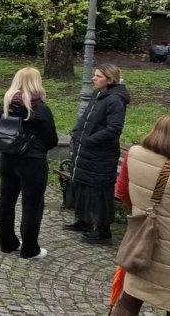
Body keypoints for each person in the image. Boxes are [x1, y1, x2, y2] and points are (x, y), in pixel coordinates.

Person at [64, 63, 131, 244]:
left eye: (98, 76)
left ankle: (102, 231)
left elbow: (114, 129)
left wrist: (90, 140)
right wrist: (77, 132)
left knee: (98, 192)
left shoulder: (115, 100)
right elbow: (86, 119)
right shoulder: (99, 94)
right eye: (94, 75)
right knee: (83, 186)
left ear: (110, 79)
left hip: (101, 155)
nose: (93, 78)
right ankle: (84, 220)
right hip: (85, 152)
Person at [0, 67, 59, 260]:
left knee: (6, 201)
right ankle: (30, 249)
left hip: (7, 158)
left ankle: (7, 243)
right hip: (32, 162)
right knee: (32, 205)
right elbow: (52, 140)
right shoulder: (40, 109)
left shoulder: (7, 105)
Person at [112, 114, 170, 315]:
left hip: (142, 243)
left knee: (130, 298)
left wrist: (141, 211)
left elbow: (122, 192)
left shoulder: (135, 154)